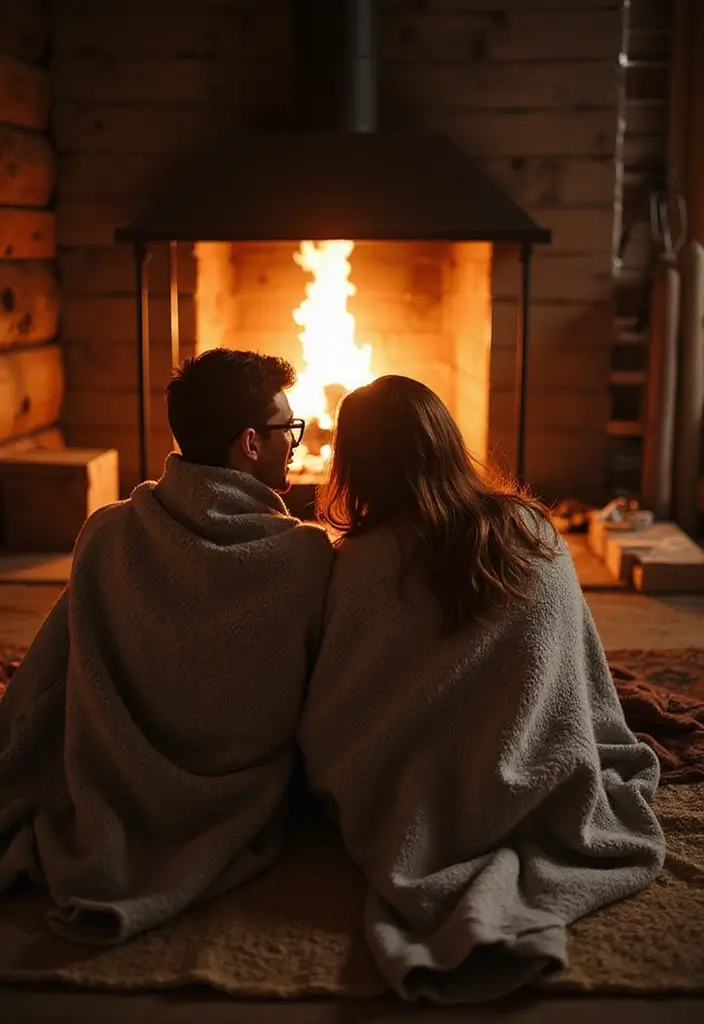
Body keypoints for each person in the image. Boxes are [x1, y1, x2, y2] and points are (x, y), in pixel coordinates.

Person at [298, 375, 666, 1004]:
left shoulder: (355, 562)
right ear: (446, 440)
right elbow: (576, 679)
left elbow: (338, 702)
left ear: (355, 463)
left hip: (408, 787)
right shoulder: (532, 529)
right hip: (539, 772)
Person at [0, 348, 333, 945]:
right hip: (239, 801)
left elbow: (47, 682)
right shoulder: (305, 556)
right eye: (289, 429)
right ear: (251, 444)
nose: (297, 443)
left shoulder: (106, 534)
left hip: (115, 791)